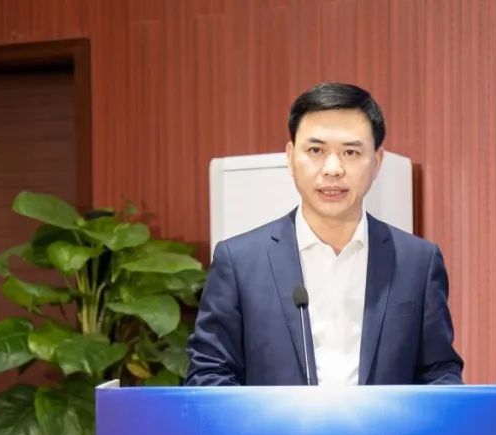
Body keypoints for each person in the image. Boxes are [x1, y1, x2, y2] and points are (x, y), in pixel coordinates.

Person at [185, 82, 463, 386]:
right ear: (290, 157)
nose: (333, 169)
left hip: (386, 421)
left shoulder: (417, 263)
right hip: (271, 421)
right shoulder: (239, 262)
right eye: (315, 150)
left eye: (350, 152)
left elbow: (439, 373)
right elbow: (209, 374)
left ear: (376, 162)